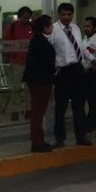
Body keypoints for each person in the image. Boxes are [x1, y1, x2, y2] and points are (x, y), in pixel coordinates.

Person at [50, 2, 92, 147]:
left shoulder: (75, 28)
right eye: (63, 14)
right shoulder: (54, 30)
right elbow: (49, 52)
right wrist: (54, 69)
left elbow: (80, 48)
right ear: (58, 14)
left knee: (79, 106)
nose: (66, 17)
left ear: (72, 15)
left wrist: (92, 60)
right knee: (60, 108)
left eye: (69, 14)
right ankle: (60, 138)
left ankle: (81, 136)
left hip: (78, 69)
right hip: (63, 72)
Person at [23, 15, 56, 153]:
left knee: (37, 112)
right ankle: (37, 142)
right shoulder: (42, 42)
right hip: (40, 81)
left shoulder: (36, 40)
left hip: (35, 80)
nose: (52, 27)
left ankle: (39, 140)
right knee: (38, 113)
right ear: (44, 27)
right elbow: (47, 63)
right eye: (50, 25)